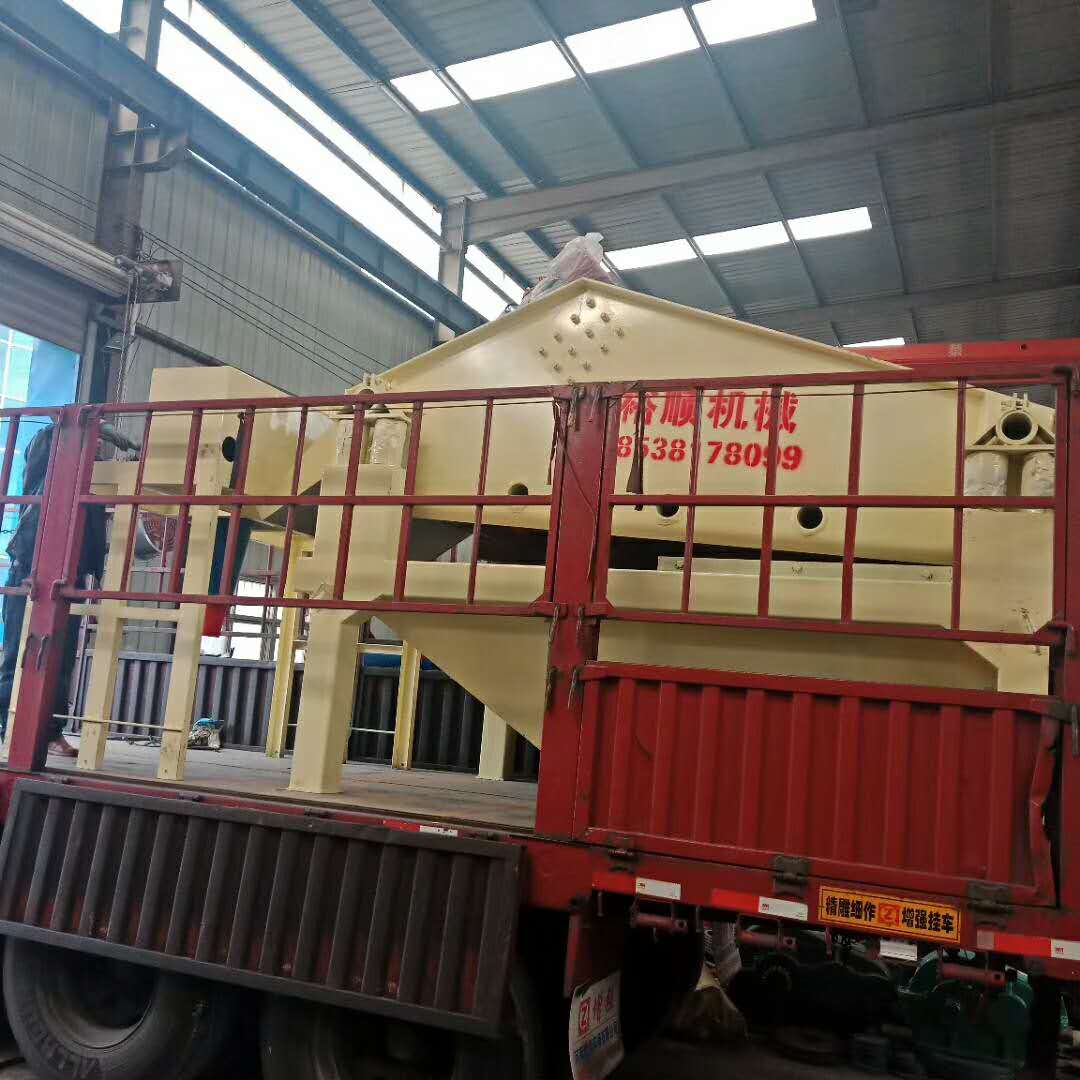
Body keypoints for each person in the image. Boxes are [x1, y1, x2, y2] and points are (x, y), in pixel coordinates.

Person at [0, 422, 129, 755]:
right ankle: (6, 727)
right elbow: (46, 439)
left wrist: (94, 581)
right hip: (30, 573)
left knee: (62, 659)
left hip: (69, 579)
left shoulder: (91, 484)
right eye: (93, 442)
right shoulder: (47, 471)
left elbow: (94, 539)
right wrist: (94, 429)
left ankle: (50, 732)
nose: (97, 448)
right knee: (17, 653)